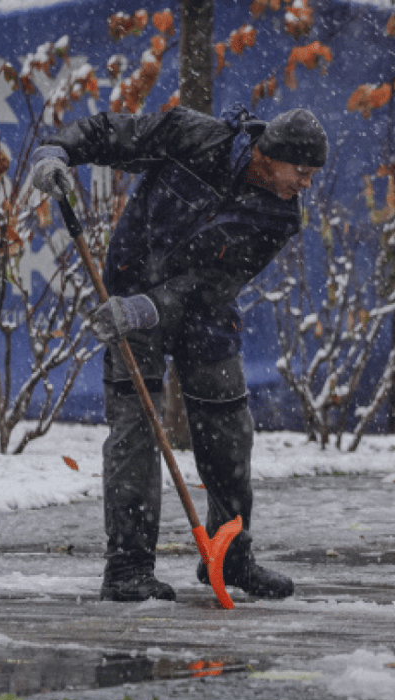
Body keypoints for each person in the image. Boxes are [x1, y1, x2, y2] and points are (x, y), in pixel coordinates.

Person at [28, 104, 327, 602]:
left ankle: (232, 558)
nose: (307, 184)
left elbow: (215, 283)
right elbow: (117, 131)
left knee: (229, 433)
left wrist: (155, 307)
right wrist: (60, 148)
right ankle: (128, 568)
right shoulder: (196, 137)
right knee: (134, 430)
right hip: (129, 292)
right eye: (302, 172)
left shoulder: (279, 215)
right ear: (268, 155)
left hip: (204, 314)